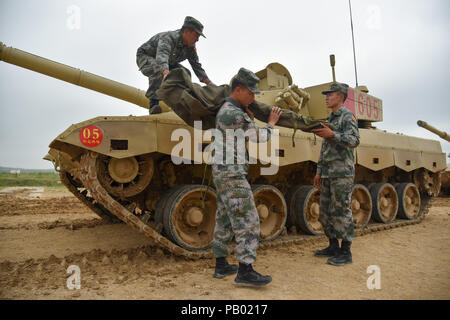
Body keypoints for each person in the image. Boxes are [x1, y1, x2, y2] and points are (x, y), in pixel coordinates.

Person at [212, 68, 282, 286]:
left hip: (224, 171)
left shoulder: (229, 110)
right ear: (239, 89)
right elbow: (259, 137)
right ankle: (245, 271)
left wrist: (249, 118)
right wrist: (270, 123)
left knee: (224, 217)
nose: (253, 97)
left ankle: (221, 264)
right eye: (250, 93)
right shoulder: (233, 113)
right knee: (248, 219)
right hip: (232, 172)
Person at [311, 82, 360, 266]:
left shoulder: (348, 116)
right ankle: (333, 246)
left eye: (330, 94)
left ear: (340, 96)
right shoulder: (330, 117)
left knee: (341, 210)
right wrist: (319, 171)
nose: (326, 97)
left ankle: (346, 251)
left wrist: (332, 134)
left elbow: (354, 140)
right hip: (328, 173)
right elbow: (325, 148)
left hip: (342, 173)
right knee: (325, 212)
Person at [136, 16, 212, 114]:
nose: (197, 39)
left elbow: (196, 65)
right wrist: (166, 73)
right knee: (159, 69)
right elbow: (162, 57)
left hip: (168, 62)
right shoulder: (168, 38)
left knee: (184, 73)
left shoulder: (190, 47)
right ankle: (154, 104)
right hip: (146, 57)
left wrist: (209, 83)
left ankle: (179, 102)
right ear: (187, 31)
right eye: (196, 35)